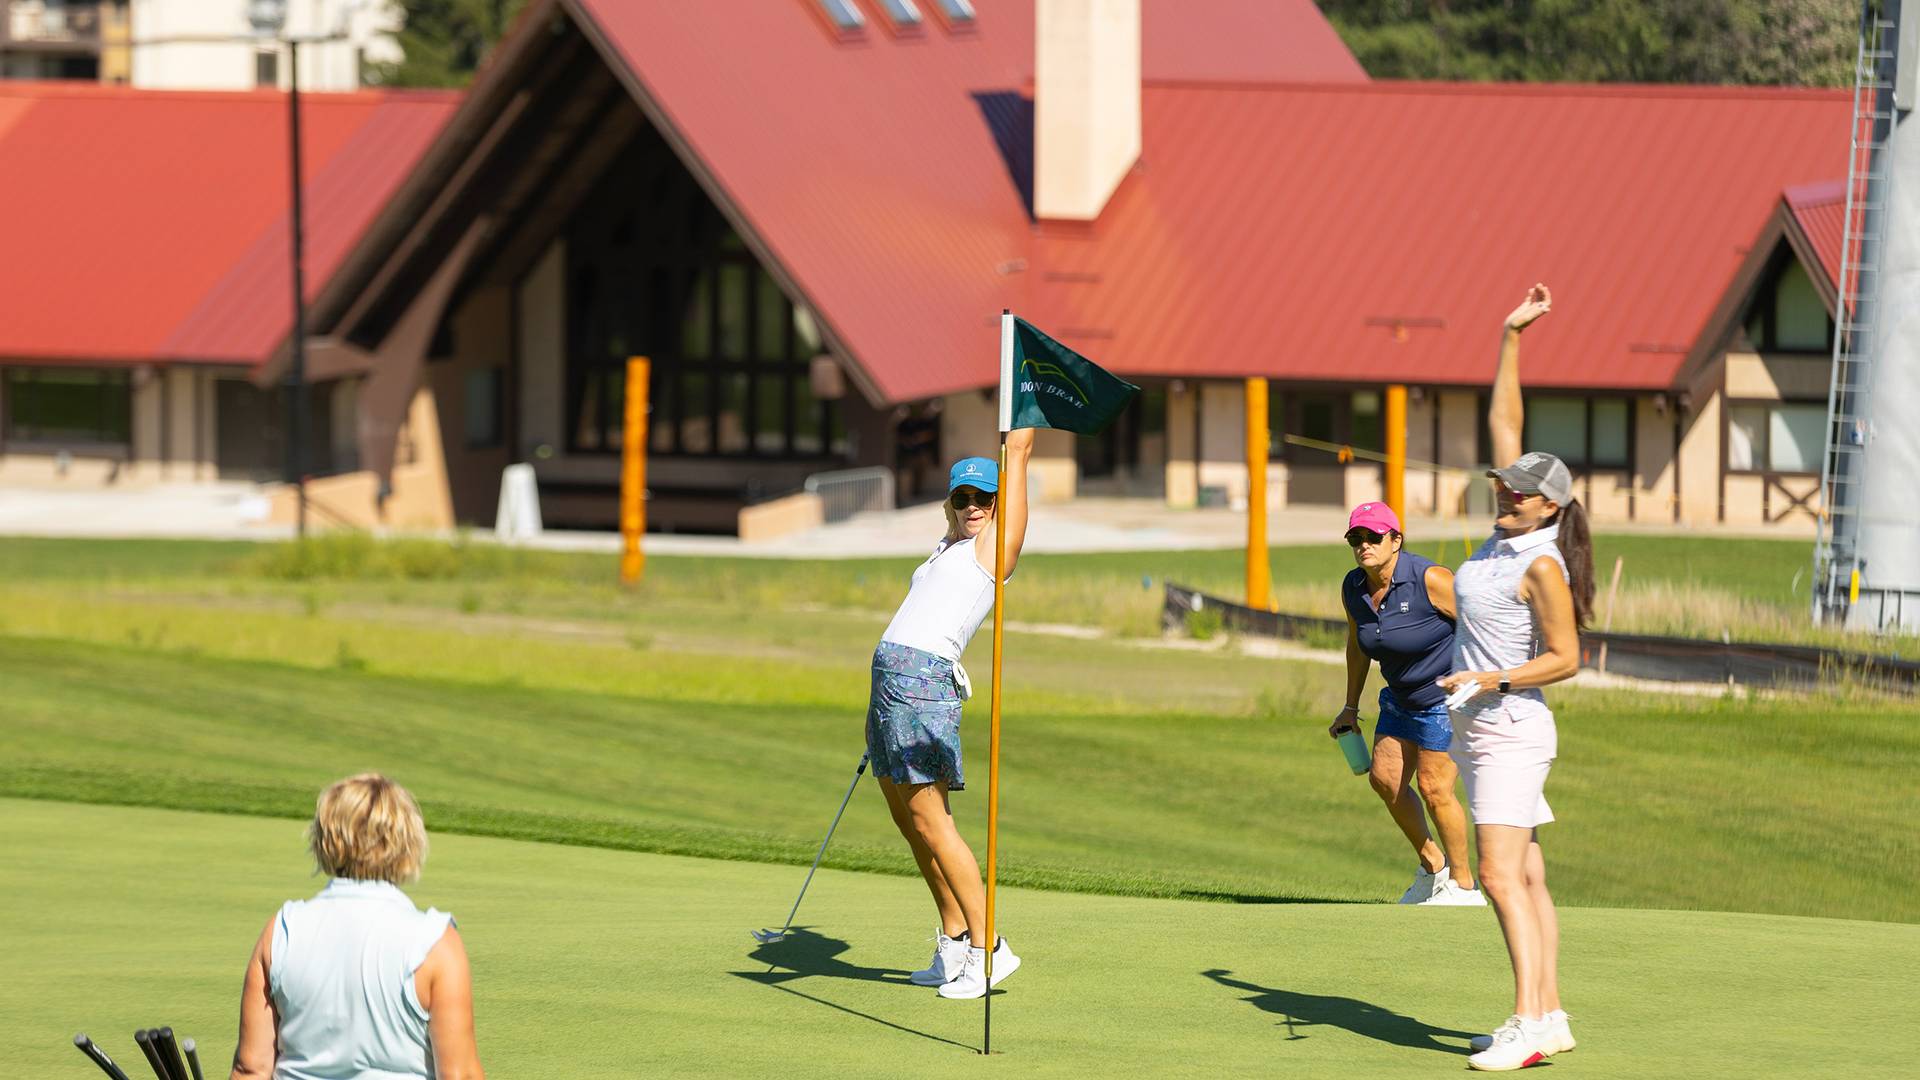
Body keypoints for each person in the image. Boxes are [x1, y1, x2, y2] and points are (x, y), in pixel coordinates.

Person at [1437, 284, 1593, 1072]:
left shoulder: (1539, 560)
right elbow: (1506, 425)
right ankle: (1553, 1013)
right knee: (1526, 873)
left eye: (1520, 490)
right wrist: (1509, 335)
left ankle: (1527, 1025)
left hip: (1509, 725)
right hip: (1486, 724)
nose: (1504, 490)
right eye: (1503, 483)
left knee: (1497, 873)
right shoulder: (1507, 534)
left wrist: (1493, 678)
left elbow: (1568, 658)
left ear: (1549, 508)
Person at [868, 429, 1033, 1000]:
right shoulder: (948, 549)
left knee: (934, 822)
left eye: (983, 500)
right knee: (909, 820)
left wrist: (1020, 440)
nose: (972, 509)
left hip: (922, 686)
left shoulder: (994, 552)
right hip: (892, 687)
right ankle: (955, 937)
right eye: (962, 499)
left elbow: (1020, 464)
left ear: (997, 504)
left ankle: (991, 951)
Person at [229, 774, 483, 1080]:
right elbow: (460, 1076)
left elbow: (251, 1069)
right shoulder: (436, 942)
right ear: (408, 842)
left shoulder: (281, 932)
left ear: (324, 840)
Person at [1332, 500, 1484, 907]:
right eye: (1355, 538)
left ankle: (1466, 888)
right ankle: (1434, 869)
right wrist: (1350, 706)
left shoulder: (1431, 578)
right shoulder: (1353, 587)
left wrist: (1482, 683)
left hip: (1447, 698)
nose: (1364, 545)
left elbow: (1481, 624)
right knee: (1384, 778)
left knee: (1435, 788)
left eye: (1373, 537)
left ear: (1396, 540)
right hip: (1400, 697)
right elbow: (1358, 646)